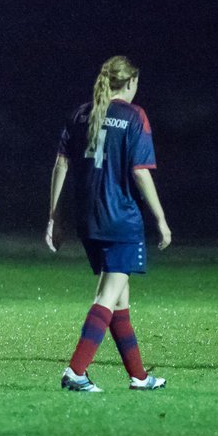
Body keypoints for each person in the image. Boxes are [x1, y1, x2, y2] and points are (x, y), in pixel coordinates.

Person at [46, 56, 171, 391]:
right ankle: (75, 371)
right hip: (120, 220)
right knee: (106, 296)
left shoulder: (80, 114)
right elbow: (140, 171)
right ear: (130, 83)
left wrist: (54, 218)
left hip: (89, 219)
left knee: (119, 301)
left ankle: (139, 376)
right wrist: (160, 219)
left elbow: (61, 165)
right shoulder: (134, 116)